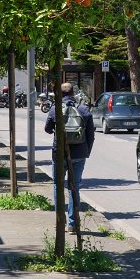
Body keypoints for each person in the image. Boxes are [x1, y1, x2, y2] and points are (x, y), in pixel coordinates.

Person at [44, 82, 95, 234]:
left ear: (59, 94)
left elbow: (47, 129)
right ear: (73, 93)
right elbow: (91, 135)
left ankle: (60, 220)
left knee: (57, 185)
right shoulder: (84, 109)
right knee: (74, 187)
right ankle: (73, 224)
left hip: (59, 153)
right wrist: (86, 152)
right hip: (79, 154)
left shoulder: (55, 109)